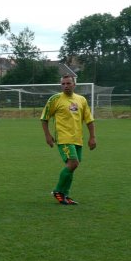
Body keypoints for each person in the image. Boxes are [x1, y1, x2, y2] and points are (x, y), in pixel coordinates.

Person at [40, 74, 97, 205]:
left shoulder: (81, 100)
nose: (65, 86)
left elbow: (89, 120)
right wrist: (48, 135)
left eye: (68, 83)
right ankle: (58, 191)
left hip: (78, 139)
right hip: (63, 138)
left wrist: (92, 137)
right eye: (63, 84)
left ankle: (65, 195)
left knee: (72, 167)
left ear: (74, 84)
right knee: (73, 163)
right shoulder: (55, 99)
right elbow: (44, 118)